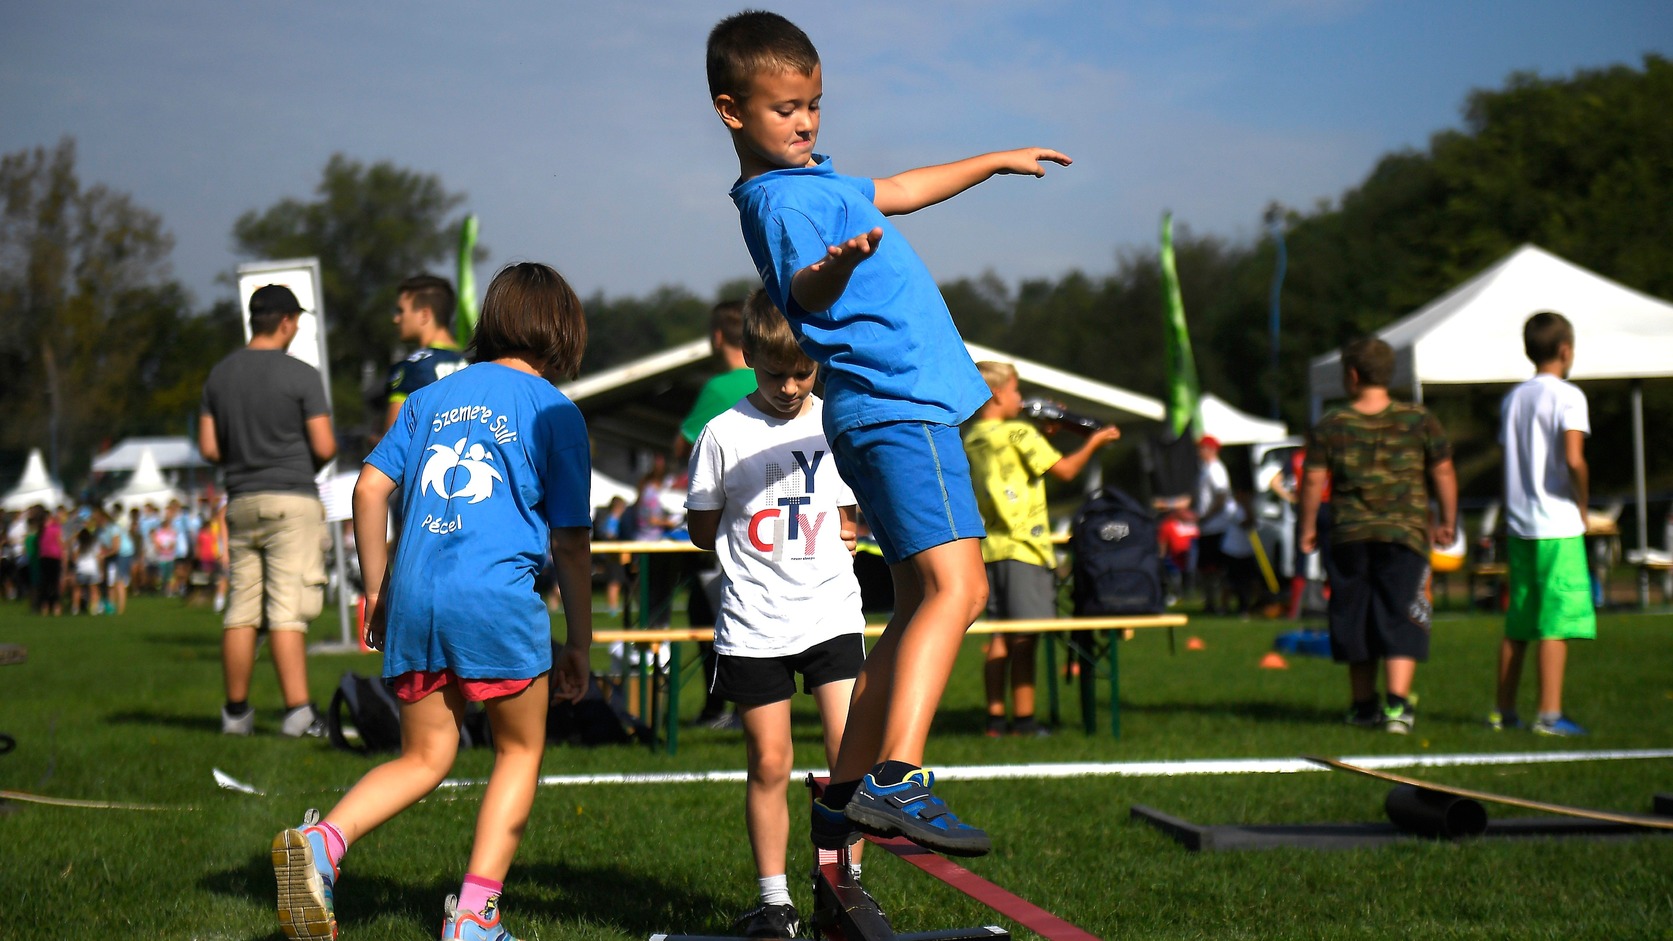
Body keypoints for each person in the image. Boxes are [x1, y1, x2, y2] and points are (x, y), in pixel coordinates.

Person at [709, 10, 1070, 856]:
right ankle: (896, 777)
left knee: (916, 605)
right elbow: (804, 285)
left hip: (881, 413)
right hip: (898, 406)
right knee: (962, 591)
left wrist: (992, 161)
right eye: (785, 108)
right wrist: (833, 267)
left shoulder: (817, 182)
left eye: (815, 105)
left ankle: (845, 790)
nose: (804, 122)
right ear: (733, 111)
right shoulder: (778, 199)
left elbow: (902, 189)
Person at [270, 261, 595, 941]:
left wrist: (376, 589)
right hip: (497, 598)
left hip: (415, 592)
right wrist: (581, 644)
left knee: (424, 756)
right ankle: (475, 918)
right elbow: (568, 543)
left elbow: (366, 489)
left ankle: (325, 843)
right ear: (562, 330)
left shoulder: (428, 399)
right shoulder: (557, 412)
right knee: (518, 751)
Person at [685, 289, 867, 937]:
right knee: (769, 759)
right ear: (746, 357)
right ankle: (774, 901)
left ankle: (844, 884)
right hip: (754, 621)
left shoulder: (837, 421)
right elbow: (699, 530)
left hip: (830, 612)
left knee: (851, 753)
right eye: (773, 372)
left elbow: (853, 505)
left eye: (802, 371)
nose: (789, 386)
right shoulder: (721, 434)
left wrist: (850, 525)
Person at [1298, 337, 1457, 734]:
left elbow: (1313, 481)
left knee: (1355, 616)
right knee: (1401, 613)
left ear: (1351, 376)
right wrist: (1448, 520)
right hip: (1406, 536)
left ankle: (1362, 705)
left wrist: (1307, 528)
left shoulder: (1332, 424)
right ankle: (1398, 708)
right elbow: (1443, 472)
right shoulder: (1420, 420)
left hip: (1349, 536)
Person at [199, 284, 337, 737]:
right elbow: (324, 445)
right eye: (295, 320)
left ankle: (236, 713)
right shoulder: (301, 374)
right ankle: (298, 712)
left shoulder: (219, 375)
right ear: (284, 321)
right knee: (286, 610)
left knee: (240, 610)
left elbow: (209, 446)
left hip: (239, 500)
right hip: (290, 499)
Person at [963, 361, 1120, 737]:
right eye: (1016, 391)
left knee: (998, 636)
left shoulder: (973, 437)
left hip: (991, 548)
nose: (1021, 399)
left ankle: (995, 720)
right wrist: (1093, 442)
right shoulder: (1018, 432)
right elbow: (1065, 470)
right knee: (1025, 637)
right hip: (1025, 547)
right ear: (998, 394)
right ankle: (1025, 721)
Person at [1491, 311, 1594, 736]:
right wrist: (1584, 505)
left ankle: (1504, 711)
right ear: (1566, 350)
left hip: (1520, 524)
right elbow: (1574, 459)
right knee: (1557, 620)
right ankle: (1550, 715)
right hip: (1558, 524)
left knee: (1519, 620)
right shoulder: (1569, 396)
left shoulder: (1513, 399)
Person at [381, 274, 468, 438]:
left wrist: (373, 441)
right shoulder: (476, 362)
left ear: (424, 315)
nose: (396, 319)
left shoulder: (411, 369)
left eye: (401, 311)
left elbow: (392, 444)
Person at [1193, 435, 1237, 614]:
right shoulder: (1205, 469)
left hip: (1216, 526)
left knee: (1215, 569)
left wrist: (1206, 516)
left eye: (1202, 448)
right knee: (1206, 568)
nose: (1199, 452)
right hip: (1208, 526)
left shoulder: (1216, 469)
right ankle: (1210, 602)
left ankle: (1219, 603)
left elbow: (1221, 496)